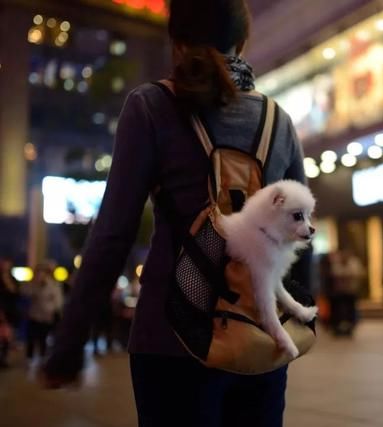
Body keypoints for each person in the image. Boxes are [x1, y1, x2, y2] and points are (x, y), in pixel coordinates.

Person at [41, 1, 309, 426]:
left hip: (171, 342)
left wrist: (69, 344)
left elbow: (113, 234)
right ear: (242, 41)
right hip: (259, 343)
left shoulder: (150, 106)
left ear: (177, 43)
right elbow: (301, 239)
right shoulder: (279, 121)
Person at [23, 263, 64, 361]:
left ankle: (42, 356)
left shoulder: (54, 285)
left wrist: (53, 310)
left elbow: (58, 301)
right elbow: (25, 293)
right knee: (31, 337)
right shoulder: (33, 284)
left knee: (43, 337)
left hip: (47, 315)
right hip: (34, 315)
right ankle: (29, 357)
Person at [330, 250, 364, 337]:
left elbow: (358, 274)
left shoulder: (354, 263)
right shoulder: (337, 262)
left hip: (351, 291)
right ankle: (338, 328)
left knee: (350, 310)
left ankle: (350, 328)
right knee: (338, 311)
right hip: (339, 292)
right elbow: (334, 274)